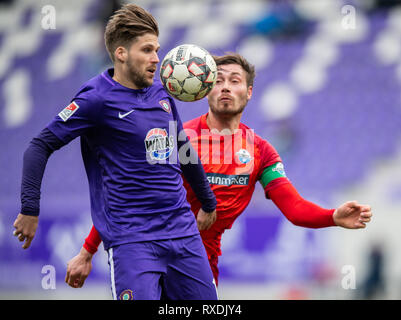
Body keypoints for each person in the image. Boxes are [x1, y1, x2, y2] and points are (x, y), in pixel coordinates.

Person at [65, 53, 373, 289]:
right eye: (219, 80)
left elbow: (293, 208)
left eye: (235, 81)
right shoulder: (176, 138)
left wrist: (332, 216)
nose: (226, 87)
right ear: (204, 89)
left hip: (201, 265)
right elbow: (130, 196)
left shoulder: (260, 152)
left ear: (249, 92)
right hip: (148, 254)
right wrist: (87, 251)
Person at [12, 4, 219, 300]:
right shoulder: (95, 99)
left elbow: (183, 148)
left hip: (183, 235)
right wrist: (30, 208)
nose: (157, 59)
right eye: (147, 50)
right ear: (121, 53)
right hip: (133, 242)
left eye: (157, 50)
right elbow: (39, 145)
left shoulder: (162, 94)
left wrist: (207, 201)